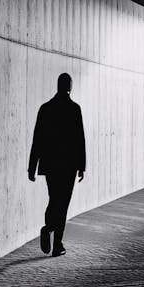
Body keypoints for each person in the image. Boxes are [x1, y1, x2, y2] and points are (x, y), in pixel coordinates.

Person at [28, 73, 86, 257]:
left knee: (54, 198)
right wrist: (82, 166)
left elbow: (37, 139)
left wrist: (32, 167)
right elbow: (79, 139)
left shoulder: (45, 109)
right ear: (70, 87)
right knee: (63, 203)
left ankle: (49, 227)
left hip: (51, 165)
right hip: (68, 166)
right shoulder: (74, 109)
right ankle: (56, 242)